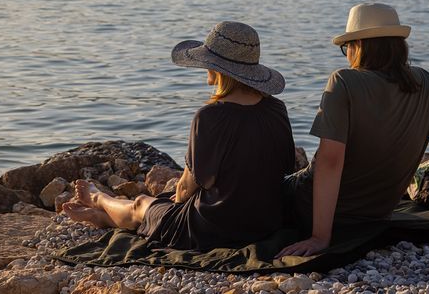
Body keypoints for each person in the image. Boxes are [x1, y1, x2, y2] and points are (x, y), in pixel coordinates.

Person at [278, 3, 429, 258]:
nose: (347, 53)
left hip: (309, 206)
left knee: (270, 183)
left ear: (358, 46)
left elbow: (330, 161)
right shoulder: (427, 84)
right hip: (375, 214)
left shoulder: (344, 82)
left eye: (346, 46)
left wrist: (320, 237)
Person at [62, 21, 297, 251]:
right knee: (156, 207)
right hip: (266, 222)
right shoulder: (276, 108)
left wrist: (172, 209)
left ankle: (98, 199)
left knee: (142, 204)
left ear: (216, 68)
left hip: (215, 228)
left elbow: (185, 189)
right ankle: (102, 217)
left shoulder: (210, 117)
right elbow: (285, 167)